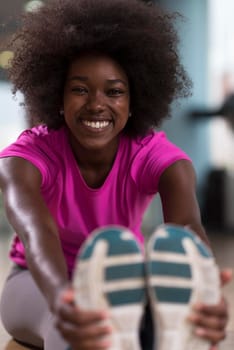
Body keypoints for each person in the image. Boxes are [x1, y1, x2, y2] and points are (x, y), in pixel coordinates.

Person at [0, 0, 231, 349]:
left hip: (121, 282)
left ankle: (153, 331)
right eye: (79, 89)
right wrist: (65, 297)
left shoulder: (155, 156)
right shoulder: (26, 158)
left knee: (133, 319)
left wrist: (206, 286)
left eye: (115, 91)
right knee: (77, 327)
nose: (96, 103)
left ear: (134, 101)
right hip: (37, 283)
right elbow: (36, 233)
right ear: (57, 98)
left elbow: (186, 228)